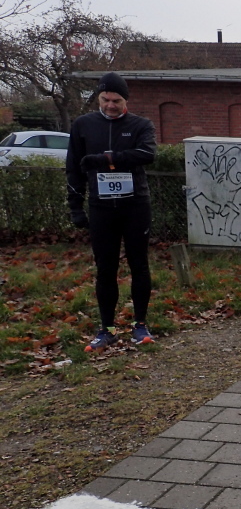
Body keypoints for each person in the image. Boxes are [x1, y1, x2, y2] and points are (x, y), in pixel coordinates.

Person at [66, 72, 157, 353]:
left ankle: (140, 324)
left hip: (134, 206)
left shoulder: (141, 125)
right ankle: (107, 328)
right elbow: (73, 167)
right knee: (106, 269)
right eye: (105, 100)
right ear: (98, 98)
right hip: (102, 208)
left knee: (139, 264)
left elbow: (147, 154)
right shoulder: (83, 125)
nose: (110, 106)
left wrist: (107, 159)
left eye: (116, 100)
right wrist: (75, 206)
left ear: (125, 100)